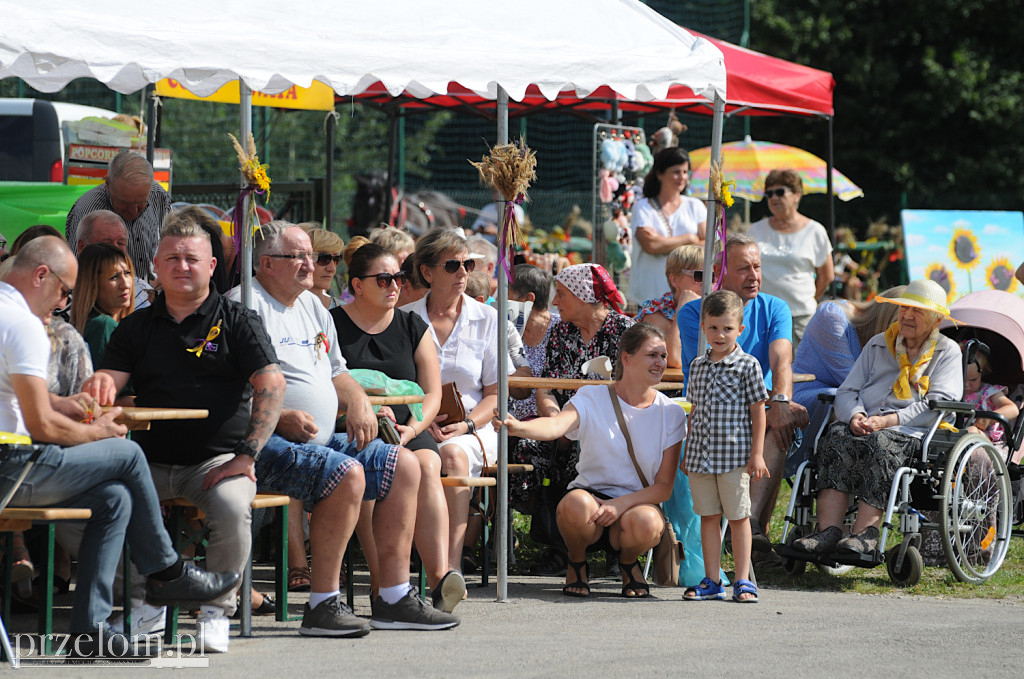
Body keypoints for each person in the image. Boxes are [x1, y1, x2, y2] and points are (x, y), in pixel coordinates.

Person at [0, 236, 239, 656]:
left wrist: (63, 403)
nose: (62, 303)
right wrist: (101, 432)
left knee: (113, 499)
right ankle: (167, 570)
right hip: (11, 468)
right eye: (64, 291)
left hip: (12, 466)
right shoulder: (22, 324)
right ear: (41, 275)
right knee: (127, 453)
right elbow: (40, 425)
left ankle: (88, 632)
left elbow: (17, 397)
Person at [83, 214, 286, 653]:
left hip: (217, 462)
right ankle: (143, 605)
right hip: (146, 462)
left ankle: (215, 610)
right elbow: (108, 381)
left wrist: (247, 457)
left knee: (233, 506)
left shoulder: (239, 320)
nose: (182, 266)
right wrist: (101, 387)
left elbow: (271, 383)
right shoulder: (135, 326)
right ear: (155, 264)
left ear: (212, 266)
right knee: (104, 500)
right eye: (171, 258)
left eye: (192, 259)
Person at [493, 323, 686, 598]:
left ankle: (629, 563)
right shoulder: (592, 396)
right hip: (590, 500)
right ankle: (577, 561)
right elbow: (556, 426)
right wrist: (519, 427)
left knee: (648, 523)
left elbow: (664, 487)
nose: (660, 363)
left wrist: (618, 505)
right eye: (652, 355)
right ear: (627, 358)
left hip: (635, 503)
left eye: (663, 356)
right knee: (575, 504)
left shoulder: (671, 412)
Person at [331, 236, 467, 614]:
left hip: (407, 427)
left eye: (399, 278)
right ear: (357, 285)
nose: (395, 286)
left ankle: (440, 576)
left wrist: (412, 428)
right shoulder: (332, 324)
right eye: (384, 279)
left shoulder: (412, 326)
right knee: (383, 468)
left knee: (426, 463)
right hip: (353, 428)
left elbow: (433, 394)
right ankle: (384, 583)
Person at [792, 280, 963, 556]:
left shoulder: (947, 352)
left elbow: (936, 404)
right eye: (904, 308)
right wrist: (855, 415)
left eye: (917, 311)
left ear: (937, 320)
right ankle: (828, 531)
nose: (907, 315)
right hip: (867, 423)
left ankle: (865, 534)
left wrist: (888, 420)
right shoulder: (878, 345)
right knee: (835, 437)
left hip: (911, 431)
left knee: (882, 443)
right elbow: (848, 390)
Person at [678, 233, 808, 561]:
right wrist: (771, 402)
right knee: (771, 418)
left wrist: (779, 400)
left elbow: (782, 359)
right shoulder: (695, 313)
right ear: (721, 271)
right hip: (711, 410)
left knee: (779, 420)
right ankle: (749, 531)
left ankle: (751, 525)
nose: (753, 276)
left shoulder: (775, 306)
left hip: (759, 406)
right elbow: (712, 370)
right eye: (743, 269)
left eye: (757, 266)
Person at [401, 228, 513, 579]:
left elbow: (497, 394)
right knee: (408, 458)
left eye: (469, 264)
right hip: (418, 423)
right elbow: (401, 385)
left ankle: (449, 566)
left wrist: (465, 425)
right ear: (427, 272)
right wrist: (421, 421)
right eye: (453, 265)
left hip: (476, 426)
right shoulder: (406, 317)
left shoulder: (489, 319)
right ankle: (404, 562)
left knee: (451, 454)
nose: (464, 272)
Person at [514, 262, 635, 573]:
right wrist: (557, 420)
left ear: (584, 296)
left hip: (613, 424)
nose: (554, 302)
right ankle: (558, 540)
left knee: (591, 449)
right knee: (533, 446)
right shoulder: (559, 331)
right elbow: (547, 388)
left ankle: (611, 544)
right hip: (567, 422)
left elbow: (634, 392)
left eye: (561, 295)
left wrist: (582, 425)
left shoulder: (625, 332)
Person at [681, 290, 768, 603]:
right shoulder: (698, 366)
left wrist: (757, 453)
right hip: (700, 458)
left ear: (740, 330)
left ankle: (743, 580)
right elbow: (695, 412)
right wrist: (688, 450)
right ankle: (713, 579)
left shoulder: (748, 366)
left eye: (727, 328)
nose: (720, 335)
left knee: (738, 517)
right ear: (704, 327)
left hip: (734, 457)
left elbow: (759, 412)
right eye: (714, 327)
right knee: (707, 516)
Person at [747, 169, 834, 346]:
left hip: (800, 317)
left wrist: (807, 301)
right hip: (762, 315)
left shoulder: (815, 231)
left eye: (780, 192)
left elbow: (827, 275)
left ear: (797, 195)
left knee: (798, 371)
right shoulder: (754, 230)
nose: (773, 198)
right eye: (769, 193)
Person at [65, 152, 172, 281]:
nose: (133, 212)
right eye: (125, 203)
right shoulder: (87, 209)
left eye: (141, 203)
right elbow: (76, 273)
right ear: (108, 184)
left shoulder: (158, 196)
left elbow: (169, 246)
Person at [627, 147, 706, 307]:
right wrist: (689, 239)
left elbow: (707, 245)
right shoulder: (643, 207)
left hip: (687, 298)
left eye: (685, 172)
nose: (682, 177)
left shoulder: (695, 206)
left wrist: (664, 242)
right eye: (676, 171)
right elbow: (650, 245)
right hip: (649, 297)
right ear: (659, 173)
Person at [634, 243, 704, 368]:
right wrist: (683, 309)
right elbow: (674, 359)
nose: (707, 283)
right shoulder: (655, 313)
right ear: (675, 280)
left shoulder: (718, 310)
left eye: (713, 276)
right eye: (699, 276)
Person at [69, 244, 135, 366]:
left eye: (127, 273)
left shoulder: (99, 325)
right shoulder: (103, 326)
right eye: (114, 277)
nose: (125, 284)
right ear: (92, 285)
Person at [73, 210, 153, 309]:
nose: (115, 249)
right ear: (82, 246)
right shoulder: (61, 289)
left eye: (121, 243)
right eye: (107, 243)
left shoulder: (143, 294)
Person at [963, 348, 1019, 449]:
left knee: (970, 432)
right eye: (962, 378)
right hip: (957, 432)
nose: (967, 385)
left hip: (984, 438)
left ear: (982, 373)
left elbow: (1013, 409)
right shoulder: (954, 391)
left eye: (973, 379)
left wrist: (989, 418)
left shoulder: (988, 391)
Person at [298, 223, 345, 309]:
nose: (332, 268)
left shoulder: (345, 312)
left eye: (336, 260)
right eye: (324, 259)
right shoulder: (281, 309)